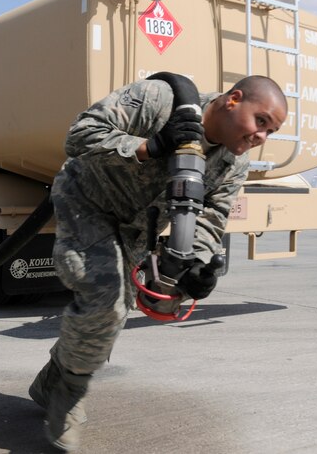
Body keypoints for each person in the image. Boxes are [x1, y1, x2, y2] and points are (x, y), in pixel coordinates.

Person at [30, 74, 288, 451]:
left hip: (135, 228)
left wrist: (196, 268)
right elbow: (80, 135)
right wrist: (149, 146)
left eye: (272, 131)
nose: (261, 136)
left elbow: (211, 217)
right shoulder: (160, 100)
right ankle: (67, 397)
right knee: (105, 299)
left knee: (117, 310)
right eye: (261, 121)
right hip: (87, 201)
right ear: (234, 99)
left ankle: (51, 382)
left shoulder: (234, 164)